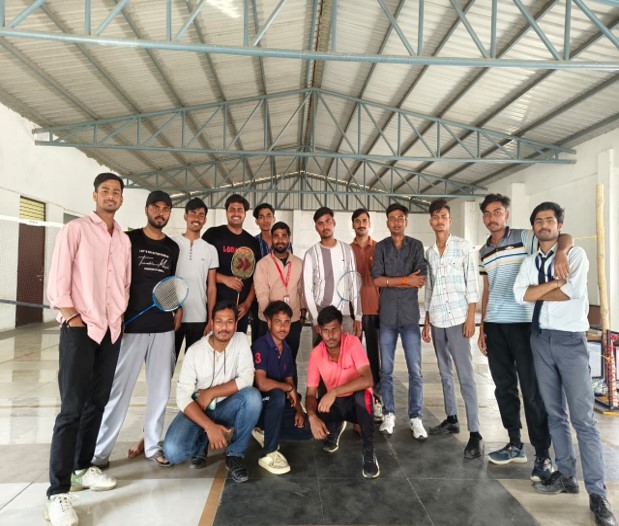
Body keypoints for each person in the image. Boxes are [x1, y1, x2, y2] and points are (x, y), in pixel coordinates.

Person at [514, 202, 617, 526]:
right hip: (540, 339)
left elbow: (572, 293)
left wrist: (539, 290)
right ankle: (566, 474)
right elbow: (520, 295)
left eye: (550, 220)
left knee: (583, 419)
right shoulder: (530, 261)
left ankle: (597, 493)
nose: (544, 225)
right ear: (533, 228)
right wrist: (553, 285)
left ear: (560, 225)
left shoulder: (575, 255)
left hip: (571, 342)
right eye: (538, 221)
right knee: (554, 413)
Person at [45, 172, 131, 526]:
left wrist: (119, 316)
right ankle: (57, 493)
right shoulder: (75, 230)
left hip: (111, 330)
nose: (111, 196)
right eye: (105, 191)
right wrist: (72, 315)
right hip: (81, 329)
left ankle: (82, 468)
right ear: (94, 195)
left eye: (116, 192)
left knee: (97, 403)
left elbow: (123, 282)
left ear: (122, 199)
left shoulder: (123, 239)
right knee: (71, 410)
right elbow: (58, 278)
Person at [478, 193, 571, 482]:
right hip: (495, 326)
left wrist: (562, 253)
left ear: (506, 214)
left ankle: (542, 453)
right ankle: (515, 443)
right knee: (503, 388)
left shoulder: (524, 237)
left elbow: (562, 236)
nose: (492, 218)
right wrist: (482, 327)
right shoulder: (483, 250)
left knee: (532, 390)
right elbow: (487, 289)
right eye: (487, 214)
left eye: (497, 212)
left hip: (524, 324)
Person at [93, 190, 180, 468]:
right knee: (119, 392)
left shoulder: (172, 247)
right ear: (146, 209)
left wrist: (176, 308)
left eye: (165, 209)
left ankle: (153, 446)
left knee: (160, 391)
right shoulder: (128, 240)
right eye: (156, 207)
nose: (160, 213)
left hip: (163, 329)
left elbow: (169, 284)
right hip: (131, 328)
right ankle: (100, 453)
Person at [162, 301, 262, 483]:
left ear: (236, 324)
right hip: (199, 408)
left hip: (227, 407)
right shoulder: (195, 351)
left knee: (253, 398)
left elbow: (247, 378)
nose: (224, 327)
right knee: (172, 452)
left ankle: (235, 454)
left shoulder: (240, 340)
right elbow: (183, 396)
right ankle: (202, 440)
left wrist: (211, 393)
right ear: (212, 323)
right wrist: (209, 426)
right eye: (219, 321)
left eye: (229, 322)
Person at [422, 199, 483, 459]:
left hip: (459, 318)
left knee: (465, 375)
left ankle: (475, 434)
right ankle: (451, 418)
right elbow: (430, 288)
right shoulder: (429, 253)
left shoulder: (463, 247)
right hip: (437, 319)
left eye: (443, 216)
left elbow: (473, 283)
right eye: (435, 217)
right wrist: (427, 319)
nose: (440, 221)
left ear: (450, 220)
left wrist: (471, 318)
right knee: (444, 372)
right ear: (431, 222)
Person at [371, 203, 427, 439]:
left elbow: (420, 279)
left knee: (415, 370)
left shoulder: (416, 246)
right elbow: (376, 280)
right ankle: (389, 414)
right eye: (392, 218)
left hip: (410, 317)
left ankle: (416, 417)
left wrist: (391, 281)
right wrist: (406, 280)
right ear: (387, 222)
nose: (396, 222)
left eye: (400, 218)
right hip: (387, 317)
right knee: (386, 370)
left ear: (406, 221)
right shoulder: (381, 247)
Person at [305, 306, 379, 479]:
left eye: (334, 330)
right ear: (319, 331)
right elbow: (310, 394)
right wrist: (312, 417)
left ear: (341, 328)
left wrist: (334, 392)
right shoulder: (316, 354)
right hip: (336, 404)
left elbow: (368, 379)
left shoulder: (352, 343)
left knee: (363, 396)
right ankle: (336, 425)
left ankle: (369, 452)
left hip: (356, 404)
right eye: (325, 331)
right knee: (309, 423)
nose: (330, 336)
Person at [251, 301, 312, 475]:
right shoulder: (260, 345)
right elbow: (262, 383)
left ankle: (266, 431)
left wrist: (299, 411)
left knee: (307, 430)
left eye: (287, 322)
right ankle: (269, 453)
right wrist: (287, 388)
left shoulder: (286, 349)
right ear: (269, 322)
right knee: (278, 394)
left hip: (276, 407)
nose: (283, 327)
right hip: (258, 406)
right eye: (278, 322)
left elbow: (290, 383)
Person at [253, 221, 306, 383]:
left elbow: (302, 291)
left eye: (284, 236)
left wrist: (303, 313)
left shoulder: (299, 263)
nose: (280, 239)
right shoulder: (262, 264)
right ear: (272, 239)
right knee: (267, 362)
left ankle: (291, 394)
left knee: (290, 360)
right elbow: (262, 294)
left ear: (289, 239)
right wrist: (271, 320)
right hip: (268, 322)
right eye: (276, 236)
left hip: (293, 321)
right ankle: (267, 395)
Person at [303, 206, 362, 345]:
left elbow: (353, 283)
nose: (325, 226)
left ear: (334, 223)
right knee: (321, 356)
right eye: (320, 223)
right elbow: (307, 290)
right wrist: (315, 319)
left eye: (328, 221)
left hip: (344, 315)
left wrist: (358, 316)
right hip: (321, 314)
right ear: (316, 228)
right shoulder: (311, 254)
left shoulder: (347, 250)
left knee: (347, 354)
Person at [203, 194, 261, 334]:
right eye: (232, 209)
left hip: (240, 311)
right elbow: (201, 268)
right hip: (215, 307)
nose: (236, 213)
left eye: (240, 210)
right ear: (226, 212)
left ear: (245, 214)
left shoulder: (252, 242)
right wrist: (224, 279)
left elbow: (256, 278)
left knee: (237, 346)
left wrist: (247, 304)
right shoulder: (213, 234)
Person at [173, 198, 218, 362]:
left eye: (201, 215)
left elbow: (211, 287)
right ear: (185, 216)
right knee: (167, 365)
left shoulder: (210, 250)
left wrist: (210, 319)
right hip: (173, 316)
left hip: (200, 318)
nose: (196, 218)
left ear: (205, 220)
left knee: (195, 367)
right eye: (193, 213)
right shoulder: (172, 243)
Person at [350, 208, 383, 423]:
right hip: (353, 312)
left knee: (374, 359)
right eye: (357, 221)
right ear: (353, 225)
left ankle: (376, 400)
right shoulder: (346, 250)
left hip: (375, 310)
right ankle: (354, 400)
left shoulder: (379, 248)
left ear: (369, 223)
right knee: (353, 359)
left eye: (364, 220)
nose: (361, 224)